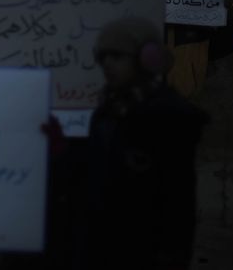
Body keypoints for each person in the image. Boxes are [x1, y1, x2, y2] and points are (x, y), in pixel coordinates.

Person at [78, 17, 208, 270]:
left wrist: (171, 258)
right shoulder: (105, 112)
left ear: (146, 58)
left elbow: (178, 202)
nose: (107, 64)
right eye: (102, 57)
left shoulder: (168, 118)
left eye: (117, 56)